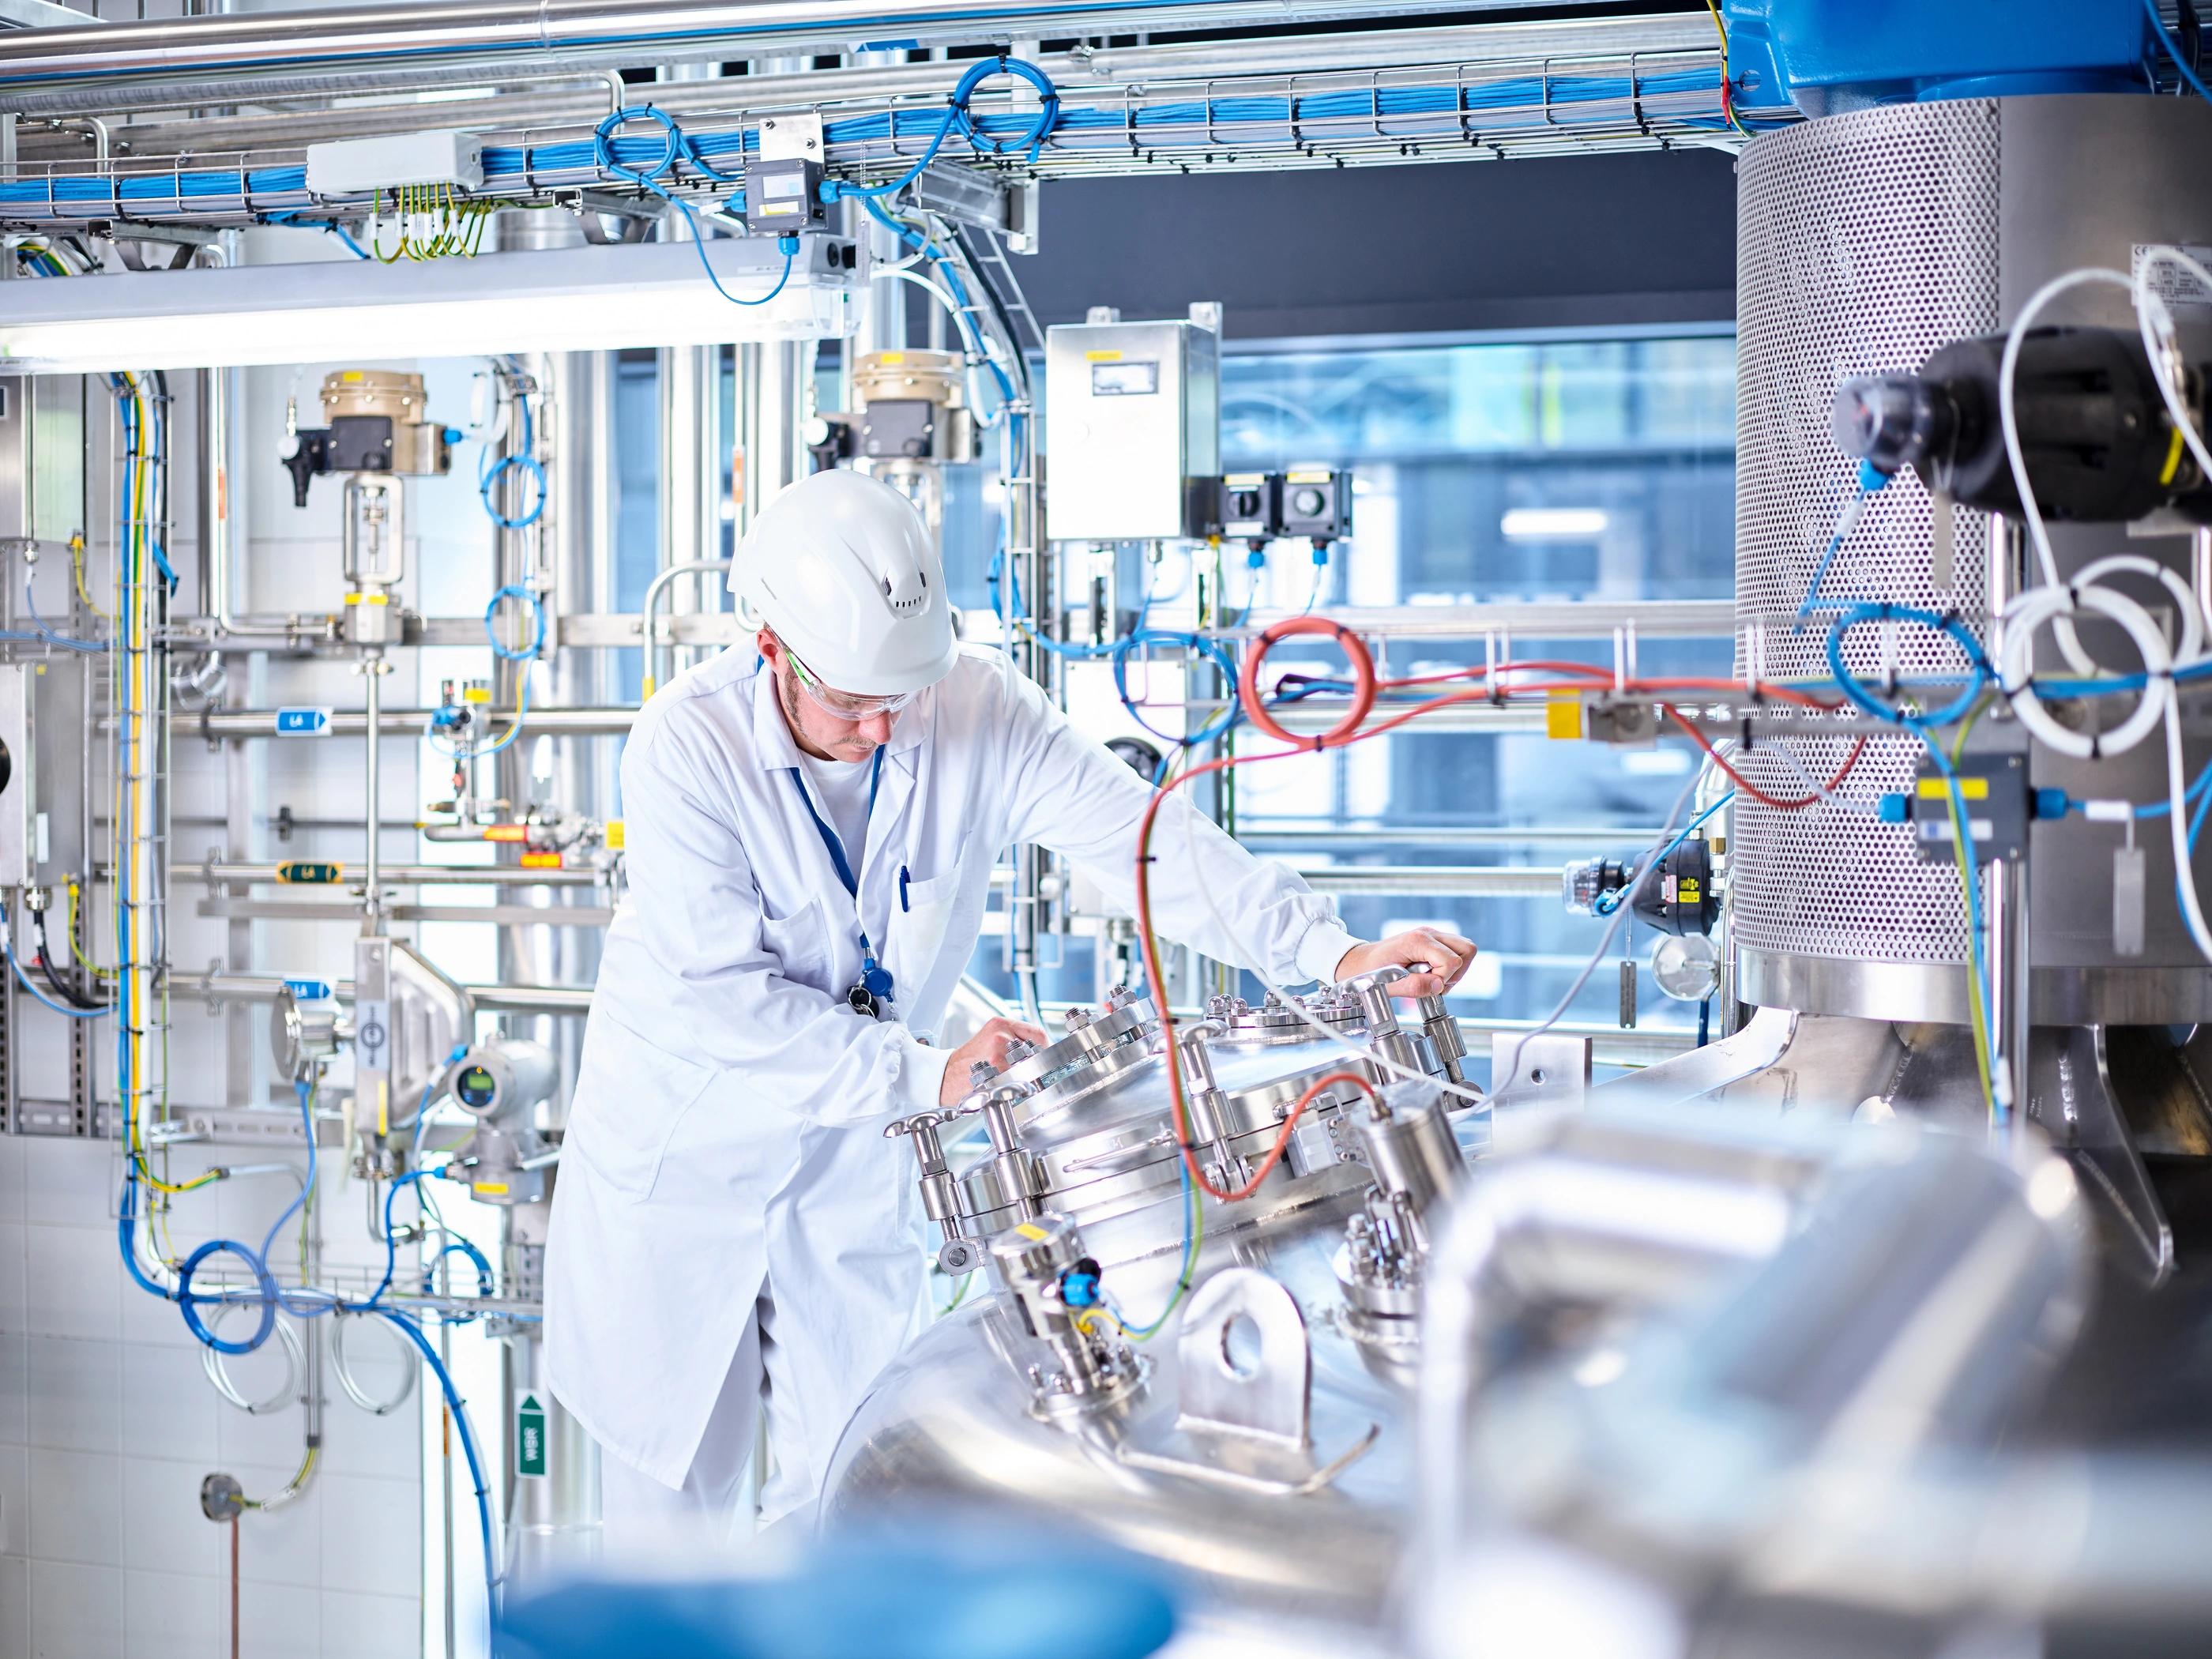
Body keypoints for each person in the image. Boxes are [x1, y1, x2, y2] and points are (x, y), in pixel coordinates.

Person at [544, 468, 1473, 1550]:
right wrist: (929, 1072)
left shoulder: (973, 705)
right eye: (851, 703)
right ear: (771, 651)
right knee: (671, 1541)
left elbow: (1148, 843)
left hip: (855, 1171)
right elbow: (722, 1004)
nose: (885, 731)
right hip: (686, 1166)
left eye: (900, 699)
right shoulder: (685, 745)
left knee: (846, 1503)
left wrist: (1330, 950)